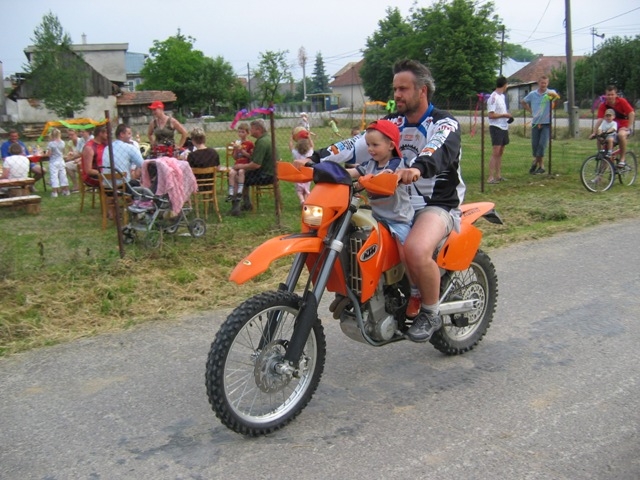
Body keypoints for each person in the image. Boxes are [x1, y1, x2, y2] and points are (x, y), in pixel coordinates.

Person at [299, 59, 465, 343]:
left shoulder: (444, 123)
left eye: (403, 89)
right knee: (352, 232)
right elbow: (354, 146)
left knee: (415, 249)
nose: (397, 94)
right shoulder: (392, 124)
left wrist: (418, 168)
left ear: (422, 90)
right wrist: (314, 160)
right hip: (396, 202)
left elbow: (436, 149)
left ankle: (430, 311)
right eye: (395, 88)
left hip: (434, 204)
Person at [346, 120, 413, 248]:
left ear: (391, 145)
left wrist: (367, 180)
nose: (370, 149)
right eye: (368, 145)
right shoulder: (370, 164)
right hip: (376, 218)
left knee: (404, 252)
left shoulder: (396, 163)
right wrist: (331, 170)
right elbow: (353, 172)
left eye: (375, 145)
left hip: (397, 220)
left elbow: (387, 174)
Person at [228, 119, 274, 216]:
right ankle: (246, 203)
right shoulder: (266, 139)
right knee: (240, 174)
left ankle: (236, 206)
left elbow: (256, 164)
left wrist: (240, 166)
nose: (251, 130)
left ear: (258, 129)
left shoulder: (262, 142)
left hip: (265, 175)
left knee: (237, 177)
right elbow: (254, 159)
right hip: (270, 172)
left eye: (252, 128)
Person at [520, 75, 559, 174]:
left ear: (548, 83)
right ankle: (541, 166)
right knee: (535, 145)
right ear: (538, 83)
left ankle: (535, 162)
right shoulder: (533, 94)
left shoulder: (550, 93)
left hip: (546, 123)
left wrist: (552, 98)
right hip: (536, 122)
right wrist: (531, 111)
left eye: (545, 83)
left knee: (542, 144)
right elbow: (523, 102)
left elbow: (556, 98)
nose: (543, 85)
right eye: (542, 83)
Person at [591, 85, 635, 167]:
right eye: (608, 95)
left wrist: (628, 128)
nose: (610, 97)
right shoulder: (603, 105)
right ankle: (602, 167)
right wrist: (594, 132)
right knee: (602, 142)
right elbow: (600, 119)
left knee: (621, 135)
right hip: (610, 129)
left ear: (616, 95)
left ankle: (622, 159)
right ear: (605, 95)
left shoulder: (622, 101)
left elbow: (631, 113)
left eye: (612, 94)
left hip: (623, 127)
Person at [487, 76, 513, 184]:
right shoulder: (493, 97)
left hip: (503, 126)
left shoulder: (502, 96)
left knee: (501, 152)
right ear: (505, 85)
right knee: (495, 152)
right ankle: (490, 177)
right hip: (496, 127)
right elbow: (491, 115)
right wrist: (504, 115)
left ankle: (498, 175)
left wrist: (507, 117)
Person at [226, 122, 254, 201]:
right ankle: (231, 193)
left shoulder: (249, 144)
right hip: (237, 163)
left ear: (247, 133)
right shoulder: (237, 142)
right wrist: (235, 150)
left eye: (243, 132)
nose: (240, 134)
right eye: (239, 132)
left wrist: (241, 150)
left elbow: (250, 156)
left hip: (245, 164)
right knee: (231, 173)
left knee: (241, 171)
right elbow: (235, 157)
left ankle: (239, 192)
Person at [289, 129, 314, 206]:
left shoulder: (295, 153)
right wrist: (309, 137)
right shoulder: (310, 152)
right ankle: (305, 201)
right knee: (306, 189)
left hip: (298, 173)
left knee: (299, 191)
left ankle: (302, 200)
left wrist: (291, 138)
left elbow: (291, 146)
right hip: (308, 174)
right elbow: (312, 146)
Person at [46, 128, 70, 197]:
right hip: (61, 161)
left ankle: (54, 192)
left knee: (54, 176)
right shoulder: (62, 142)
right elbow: (64, 152)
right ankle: (66, 190)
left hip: (53, 161)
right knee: (63, 176)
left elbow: (49, 154)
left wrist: (46, 153)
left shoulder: (51, 144)